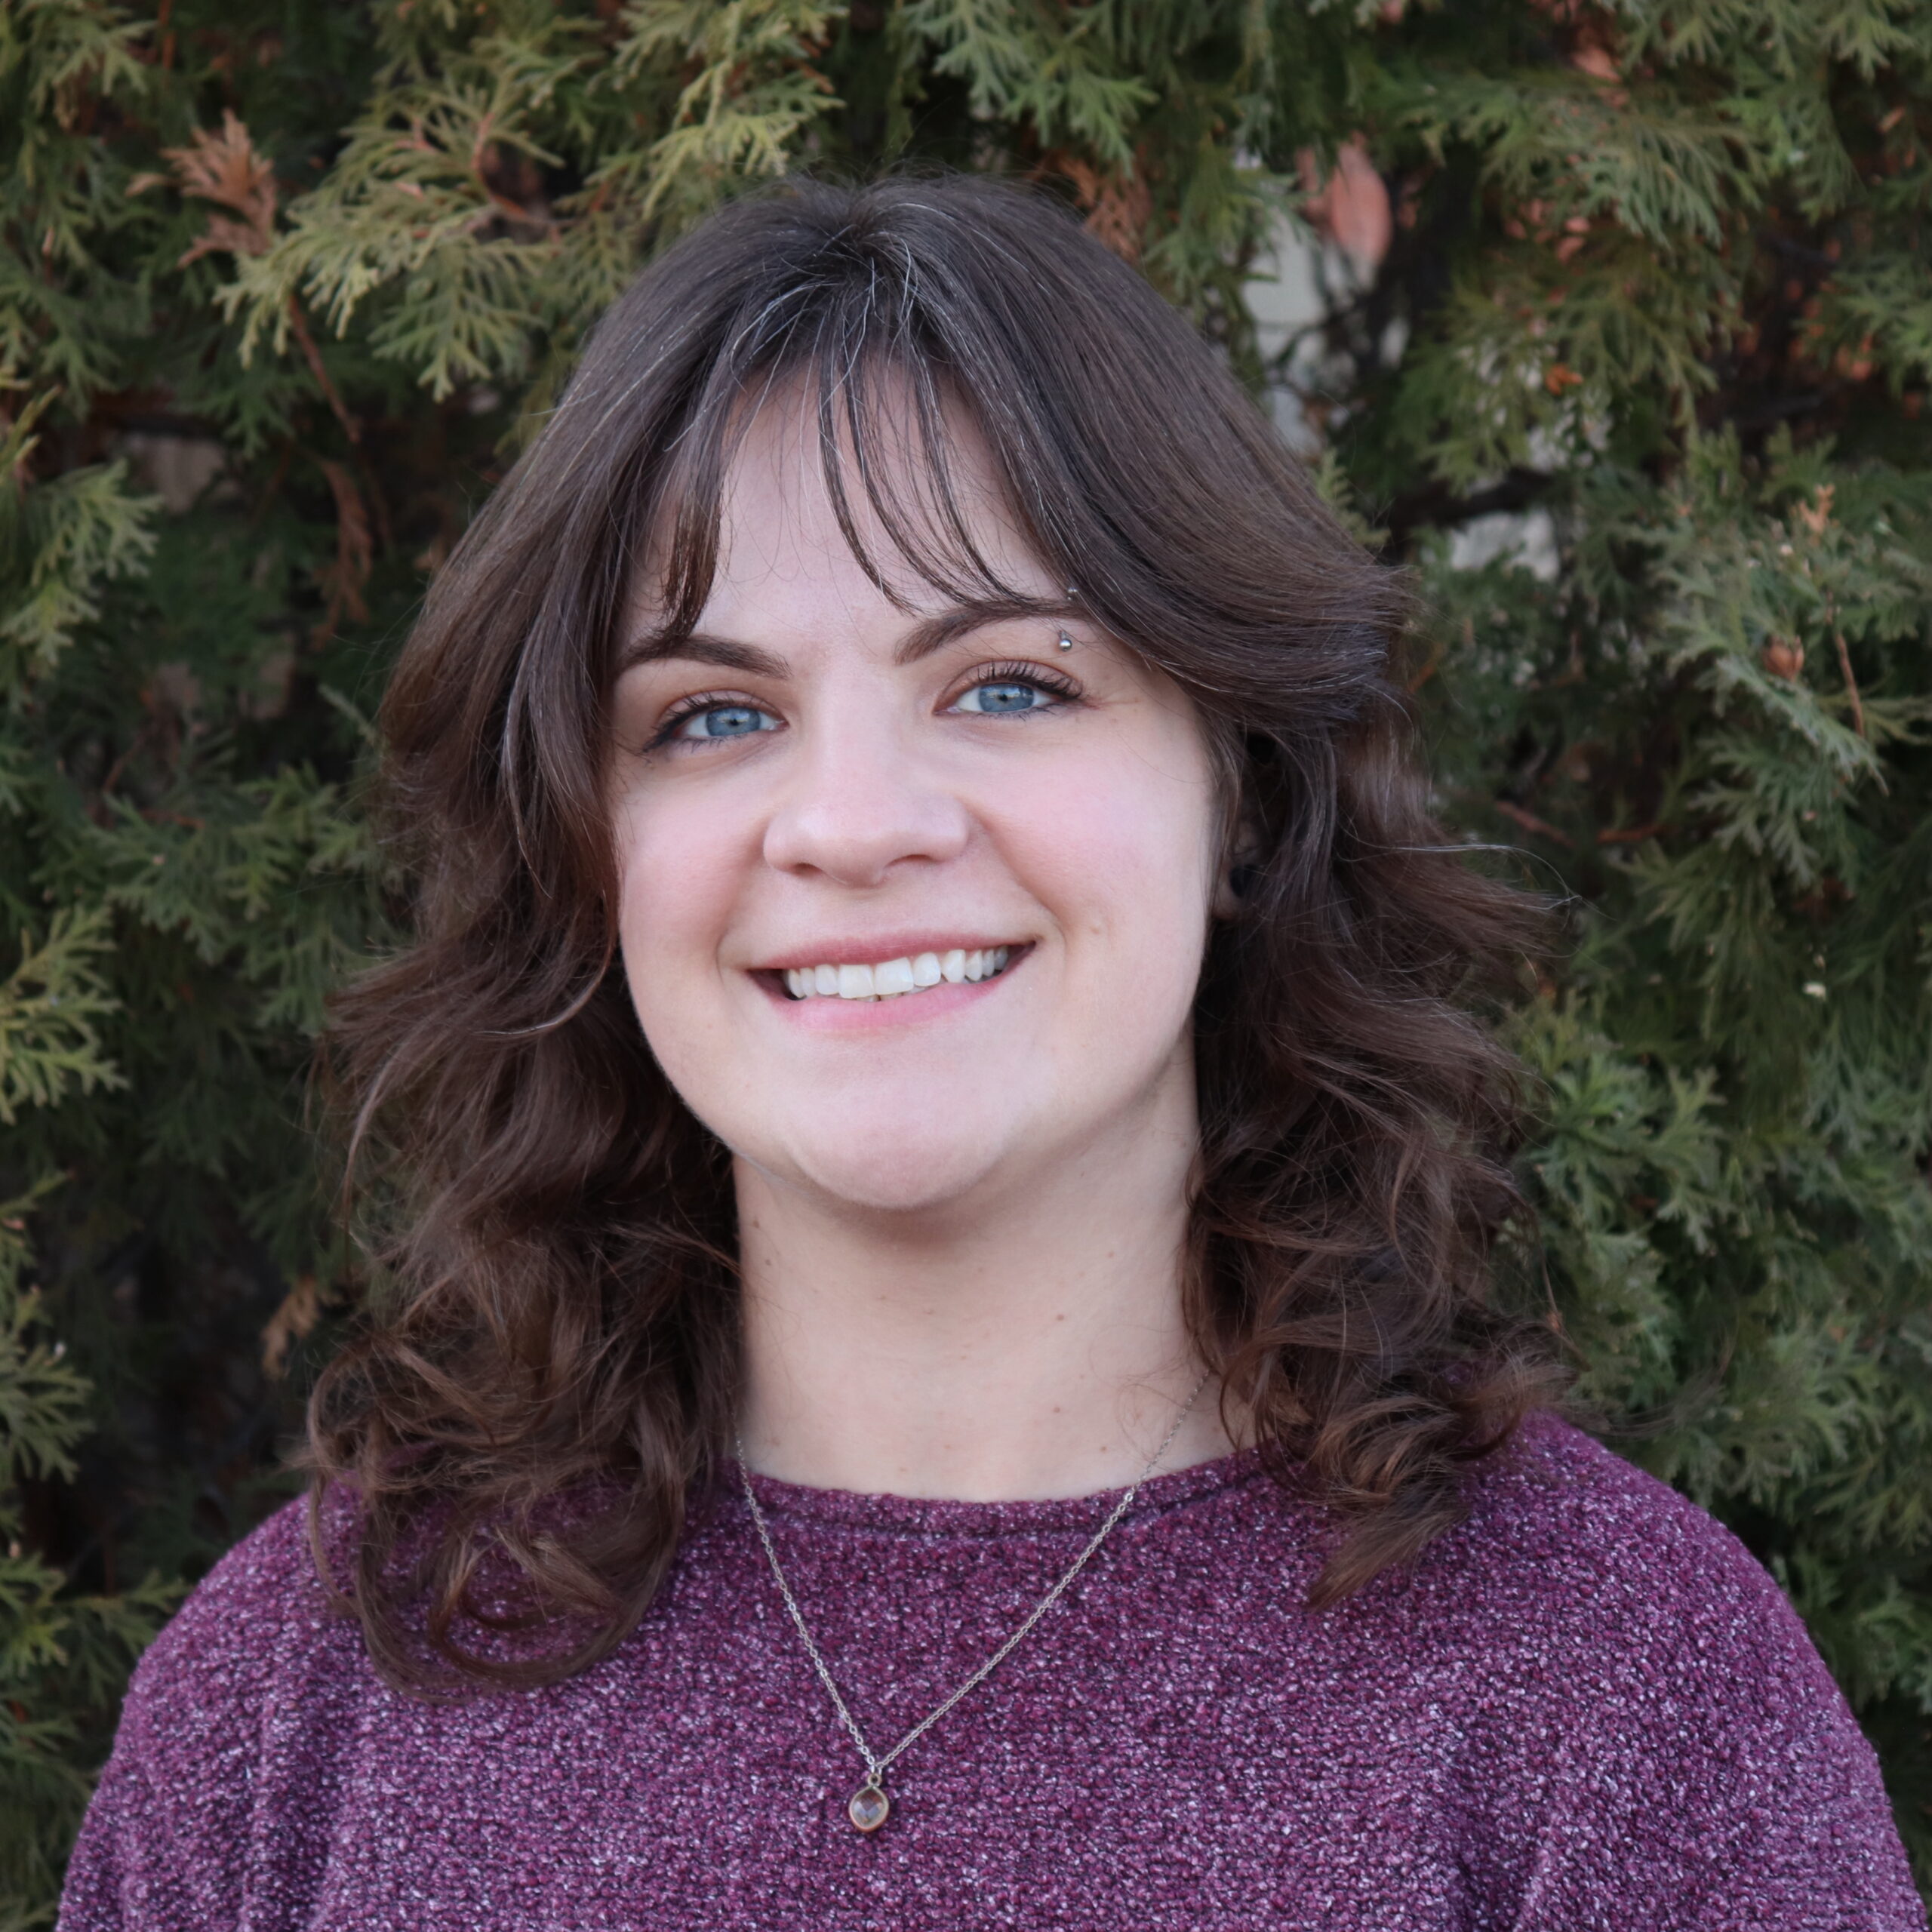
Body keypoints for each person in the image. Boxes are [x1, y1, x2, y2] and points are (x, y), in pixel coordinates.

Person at [60, 174, 1921, 1932]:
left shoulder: (1618, 1700)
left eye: (1008, 684)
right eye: (711, 714)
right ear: (583, 850)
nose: (851, 822)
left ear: (1243, 786)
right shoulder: (304, 1702)